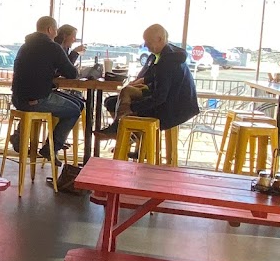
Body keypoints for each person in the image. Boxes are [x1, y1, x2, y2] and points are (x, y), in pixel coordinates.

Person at [97, 23, 199, 139]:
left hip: (173, 110)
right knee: (113, 101)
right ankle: (130, 137)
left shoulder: (168, 61)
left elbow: (160, 97)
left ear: (159, 39)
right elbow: (154, 78)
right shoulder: (161, 55)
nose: (145, 45)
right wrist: (142, 81)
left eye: (148, 41)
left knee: (122, 102)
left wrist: (132, 107)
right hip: (171, 103)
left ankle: (126, 135)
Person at [10, 16, 81, 161]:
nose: (56, 33)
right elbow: (72, 73)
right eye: (55, 30)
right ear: (50, 29)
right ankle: (51, 148)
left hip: (18, 99)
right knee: (74, 111)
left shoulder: (24, 46)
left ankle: (19, 136)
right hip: (37, 100)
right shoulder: (52, 47)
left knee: (78, 103)